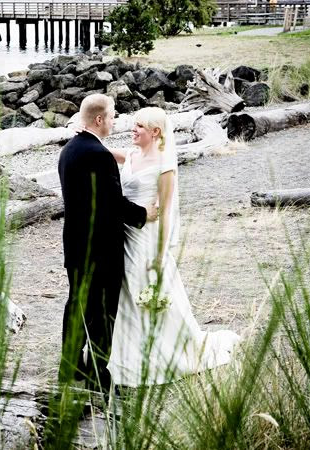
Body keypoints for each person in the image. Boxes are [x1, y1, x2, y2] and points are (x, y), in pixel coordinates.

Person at [107, 107, 240, 387]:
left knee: (144, 289)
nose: (133, 130)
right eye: (133, 125)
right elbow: (103, 153)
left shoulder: (164, 167)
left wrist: (160, 254)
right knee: (125, 292)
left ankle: (160, 352)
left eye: (139, 126)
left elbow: (166, 212)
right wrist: (85, 134)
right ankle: (124, 351)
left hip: (146, 239)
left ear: (155, 131)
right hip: (124, 235)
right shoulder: (131, 155)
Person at [57, 94, 157, 395]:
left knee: (77, 306)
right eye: (113, 115)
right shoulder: (98, 155)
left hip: (75, 244)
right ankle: (98, 374)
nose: (115, 120)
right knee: (102, 314)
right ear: (99, 119)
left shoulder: (69, 150)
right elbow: (112, 204)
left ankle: (70, 365)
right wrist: (144, 214)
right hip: (100, 248)